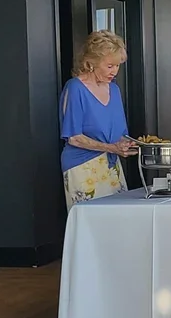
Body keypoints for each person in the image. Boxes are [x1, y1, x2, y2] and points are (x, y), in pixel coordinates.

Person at [59, 30, 138, 210]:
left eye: (117, 66)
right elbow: (74, 137)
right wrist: (111, 148)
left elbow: (120, 135)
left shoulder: (114, 90)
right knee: (91, 223)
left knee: (118, 219)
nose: (114, 72)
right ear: (91, 62)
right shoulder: (76, 88)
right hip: (83, 166)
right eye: (109, 66)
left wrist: (132, 145)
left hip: (111, 164)